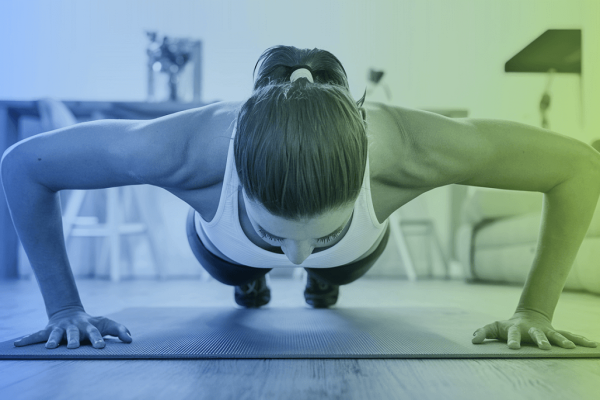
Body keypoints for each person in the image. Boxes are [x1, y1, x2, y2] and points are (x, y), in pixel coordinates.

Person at [2, 45, 599, 352]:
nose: (295, 253)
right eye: (274, 233)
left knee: (329, 272)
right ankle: (251, 272)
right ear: (234, 167)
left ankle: (328, 275)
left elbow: (577, 166)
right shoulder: (184, 149)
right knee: (242, 271)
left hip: (359, 254)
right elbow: (25, 165)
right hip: (222, 247)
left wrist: (535, 311)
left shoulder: (414, 148)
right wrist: (63, 310)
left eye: (322, 231)